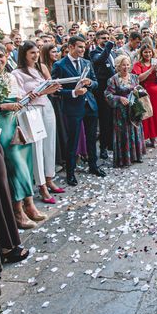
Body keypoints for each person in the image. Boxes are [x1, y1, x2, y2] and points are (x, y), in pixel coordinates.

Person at [0, 44, 46, 229]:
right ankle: (17, 211)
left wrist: (22, 101)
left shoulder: (9, 77)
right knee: (15, 164)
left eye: (1, 56)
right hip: (1, 124)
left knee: (26, 161)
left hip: (16, 122)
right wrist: (6, 106)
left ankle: (29, 205)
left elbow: (19, 97)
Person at [0, 45, 28, 262]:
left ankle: (12, 241)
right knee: (0, 190)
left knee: (3, 188)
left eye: (1, 57)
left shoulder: (6, 77)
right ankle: (7, 245)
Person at [51, 35, 106, 186]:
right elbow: (55, 90)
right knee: (73, 141)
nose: (83, 50)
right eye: (79, 47)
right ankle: (70, 173)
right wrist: (73, 93)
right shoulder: (60, 65)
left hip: (90, 105)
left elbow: (96, 83)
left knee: (92, 138)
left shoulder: (87, 62)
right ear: (70, 47)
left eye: (84, 47)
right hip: (72, 107)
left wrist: (90, 82)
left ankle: (93, 166)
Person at [12, 41, 63, 204]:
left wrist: (49, 89)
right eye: (31, 53)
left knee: (49, 144)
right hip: (31, 111)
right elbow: (21, 97)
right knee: (37, 148)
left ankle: (49, 178)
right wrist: (39, 91)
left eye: (36, 52)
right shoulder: (17, 73)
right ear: (24, 54)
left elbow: (52, 86)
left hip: (46, 106)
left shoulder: (42, 67)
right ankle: (41, 185)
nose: (35, 55)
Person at [104, 55, 145, 167]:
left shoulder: (134, 77)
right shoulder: (113, 79)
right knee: (124, 133)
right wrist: (119, 98)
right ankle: (124, 159)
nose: (126, 67)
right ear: (118, 66)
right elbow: (107, 95)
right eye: (123, 65)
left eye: (127, 64)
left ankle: (137, 156)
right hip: (121, 112)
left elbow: (139, 89)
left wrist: (139, 91)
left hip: (134, 109)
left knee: (135, 131)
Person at [133, 44, 157, 147]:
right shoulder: (138, 64)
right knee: (146, 115)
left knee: (156, 115)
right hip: (144, 93)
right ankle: (144, 138)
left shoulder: (156, 63)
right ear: (141, 53)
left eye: (149, 52)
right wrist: (150, 69)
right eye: (145, 52)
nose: (148, 54)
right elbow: (139, 78)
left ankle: (154, 138)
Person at [89, 30, 117, 161]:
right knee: (104, 120)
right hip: (102, 91)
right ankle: (103, 148)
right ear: (97, 40)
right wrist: (110, 43)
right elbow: (100, 60)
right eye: (103, 38)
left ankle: (111, 144)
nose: (106, 40)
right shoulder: (95, 52)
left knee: (112, 118)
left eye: (107, 38)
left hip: (113, 90)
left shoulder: (112, 52)